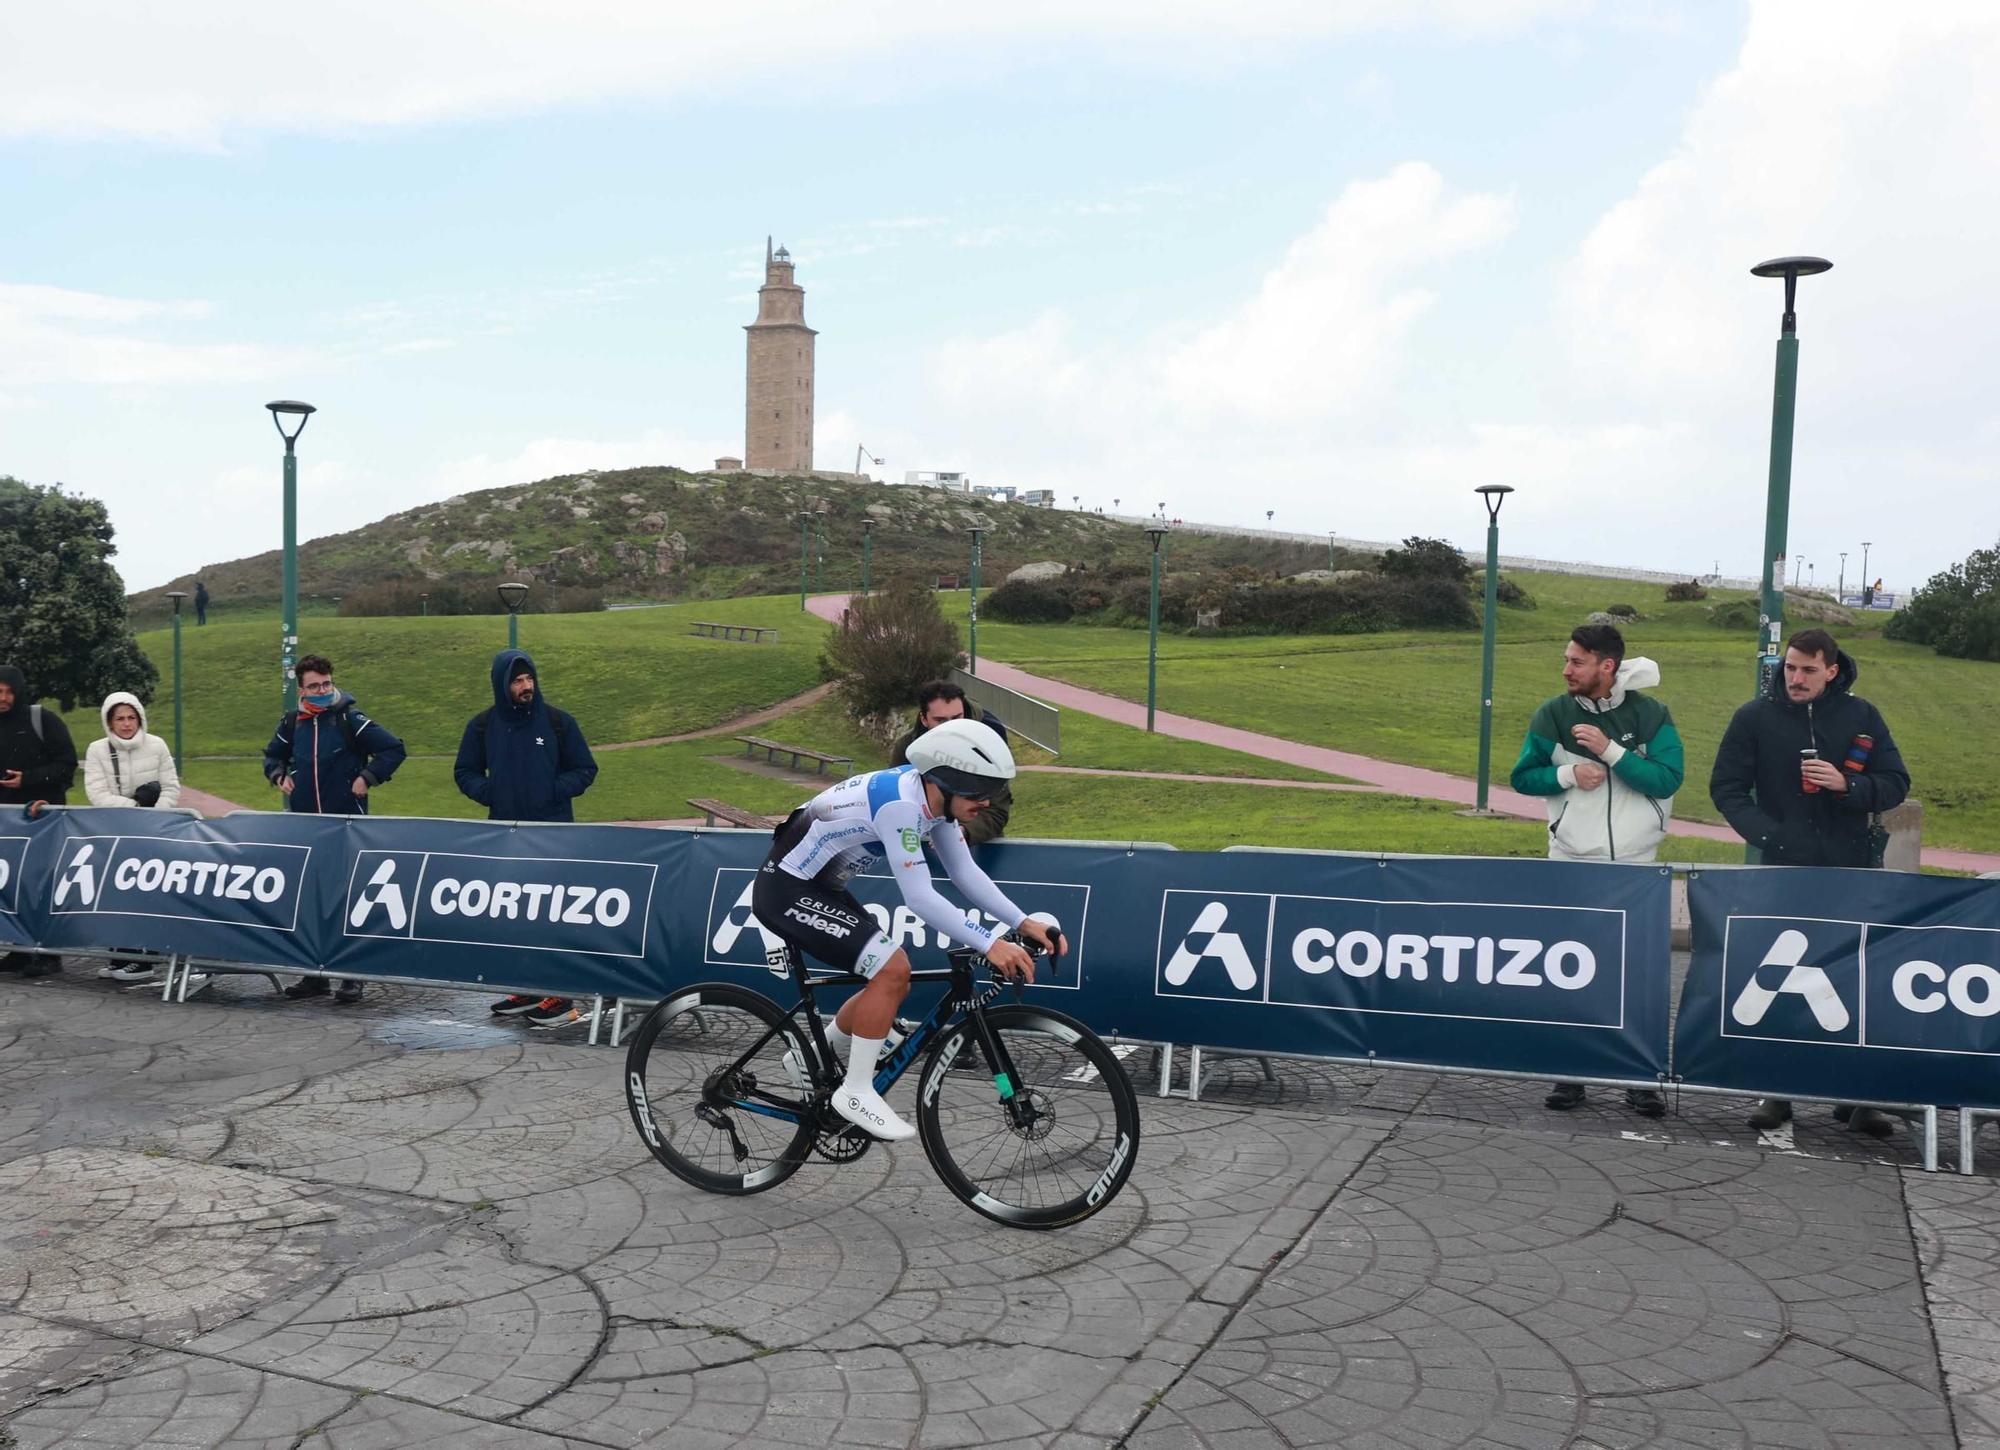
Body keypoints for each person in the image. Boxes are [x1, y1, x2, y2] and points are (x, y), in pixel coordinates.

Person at [751, 718, 1063, 1141]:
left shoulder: (936, 806)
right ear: (946, 782)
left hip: (822, 886)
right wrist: (990, 943)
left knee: (888, 975)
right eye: (979, 793)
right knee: (892, 969)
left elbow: (965, 874)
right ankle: (855, 1092)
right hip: (786, 889)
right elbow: (919, 897)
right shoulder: (899, 805)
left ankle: (804, 1061)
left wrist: (1024, 923)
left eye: (992, 793)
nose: (987, 804)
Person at [1710, 627, 1911, 1138]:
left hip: (1853, 872)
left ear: (1832, 670)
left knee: (1860, 981)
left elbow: (1895, 783)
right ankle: (1777, 1094)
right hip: (1784, 873)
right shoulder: (1752, 717)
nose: (1795, 678)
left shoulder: (1862, 715)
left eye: (1807, 670)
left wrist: (1850, 786)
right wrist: (1770, 837)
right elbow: (1727, 789)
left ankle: (1862, 1099)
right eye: (1790, 668)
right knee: (1781, 981)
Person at [1511, 624, 1683, 1119]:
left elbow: (1669, 778)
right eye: (1566, 660)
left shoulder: (1651, 714)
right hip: (1570, 862)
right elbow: (1522, 776)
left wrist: (1611, 751)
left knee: (1637, 975)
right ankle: (1571, 1074)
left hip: (1636, 867)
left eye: (1577, 662)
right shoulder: (1552, 713)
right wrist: (1567, 774)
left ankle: (1639, 1077)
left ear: (1606, 666)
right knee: (1569, 969)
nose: (1566, 670)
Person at [457, 649, 601, 1027]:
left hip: (554, 836)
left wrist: (552, 791)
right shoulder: (483, 726)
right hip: (506, 835)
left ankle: (560, 992)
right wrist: (492, 794)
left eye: (529, 679)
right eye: (517, 681)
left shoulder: (557, 723)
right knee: (518, 915)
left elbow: (586, 769)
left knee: (554, 916)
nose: (526, 687)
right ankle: (527, 985)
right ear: (502, 685)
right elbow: (465, 771)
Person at [262, 655, 407, 1004]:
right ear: (301, 689)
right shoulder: (292, 722)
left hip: (347, 826)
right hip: (307, 828)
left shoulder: (350, 719)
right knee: (311, 901)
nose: (323, 691)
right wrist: (279, 775)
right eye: (315, 686)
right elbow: (272, 755)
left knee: (347, 901)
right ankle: (315, 976)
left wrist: (366, 777)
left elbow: (393, 749)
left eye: (326, 684)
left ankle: (351, 977)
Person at [83, 692, 185, 986]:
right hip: (116, 832)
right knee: (116, 893)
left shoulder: (157, 745)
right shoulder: (97, 749)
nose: (126, 724)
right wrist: (137, 808)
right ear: (109, 721)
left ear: (140, 718)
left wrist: (154, 817)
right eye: (120, 718)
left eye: (131, 717)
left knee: (149, 893)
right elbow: (97, 794)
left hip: (153, 832)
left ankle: (145, 956)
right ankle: (121, 953)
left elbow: (171, 787)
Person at [0, 664, 78, 978]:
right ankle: (18, 950)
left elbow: (67, 765)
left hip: (42, 820)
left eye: (8, 691)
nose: (3, 698)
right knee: (10, 888)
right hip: (6, 826)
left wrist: (29, 780)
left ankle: (49, 954)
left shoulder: (41, 719)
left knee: (42, 889)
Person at [890, 681, 1012, 844]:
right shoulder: (907, 747)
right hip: (919, 841)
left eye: (956, 718)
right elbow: (895, 800)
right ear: (924, 719)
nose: (950, 727)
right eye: (940, 720)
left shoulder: (988, 745)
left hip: (975, 844)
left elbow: (997, 811)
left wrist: (964, 832)